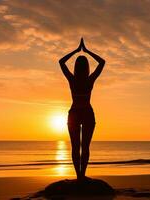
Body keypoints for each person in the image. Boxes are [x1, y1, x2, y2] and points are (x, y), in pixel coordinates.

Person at [59, 38, 105, 180]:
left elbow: (61, 62)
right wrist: (86, 51)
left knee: (76, 147)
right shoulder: (89, 80)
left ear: (76, 67)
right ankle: (82, 176)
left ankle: (79, 176)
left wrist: (76, 50)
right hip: (86, 113)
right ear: (87, 67)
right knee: (84, 147)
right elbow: (102, 62)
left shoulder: (72, 80)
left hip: (75, 114)